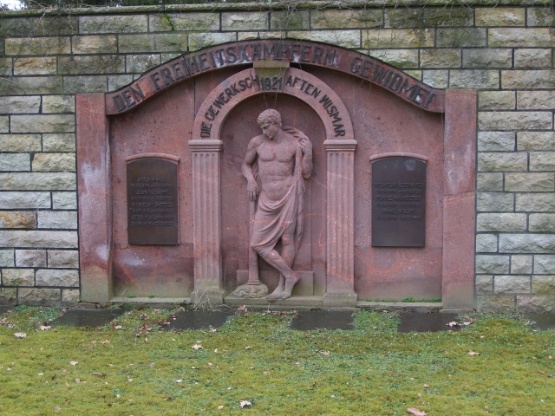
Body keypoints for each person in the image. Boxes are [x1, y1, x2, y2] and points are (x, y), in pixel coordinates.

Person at [241, 109, 313, 300]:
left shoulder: (293, 144)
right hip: (266, 198)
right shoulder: (257, 143)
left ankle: (283, 285)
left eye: (267, 127)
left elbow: (306, 173)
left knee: (287, 240)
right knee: (257, 243)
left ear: (277, 123)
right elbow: (245, 165)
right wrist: (250, 180)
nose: (265, 131)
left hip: (288, 195)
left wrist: (309, 153)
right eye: (262, 128)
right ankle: (291, 276)